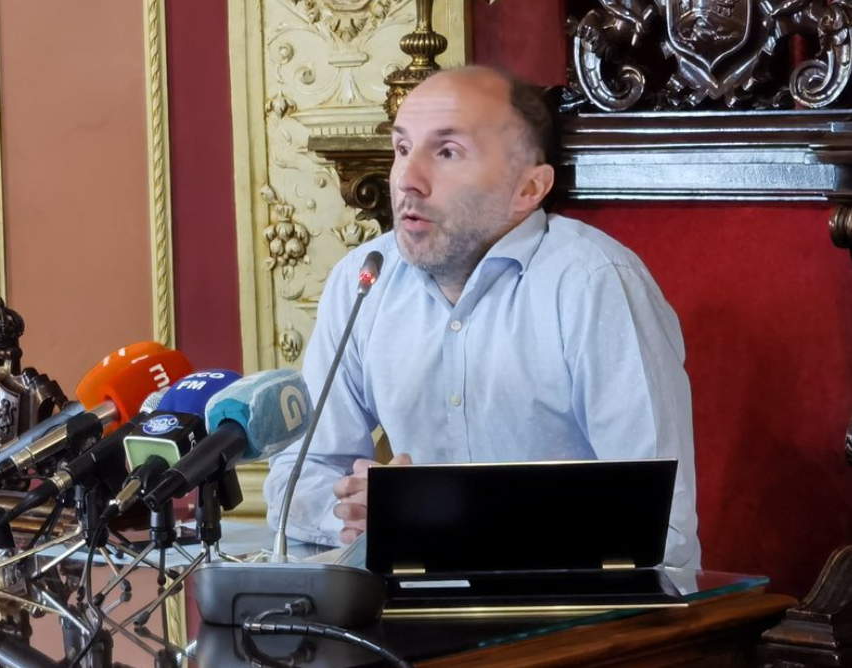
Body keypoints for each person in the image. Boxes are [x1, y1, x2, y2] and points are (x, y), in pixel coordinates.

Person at [263, 65, 700, 568]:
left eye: (447, 153)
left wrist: (439, 516)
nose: (408, 179)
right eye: (403, 149)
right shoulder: (365, 280)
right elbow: (297, 478)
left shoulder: (595, 282)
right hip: (406, 611)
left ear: (528, 189)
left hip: (577, 619)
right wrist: (362, 513)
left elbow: (658, 526)